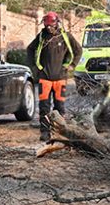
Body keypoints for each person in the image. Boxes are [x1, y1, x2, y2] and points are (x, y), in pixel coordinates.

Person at [26, 11, 82, 142]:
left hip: (60, 79)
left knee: (60, 107)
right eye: (46, 25)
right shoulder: (42, 37)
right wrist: (34, 68)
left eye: (51, 25)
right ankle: (45, 132)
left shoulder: (65, 36)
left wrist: (72, 65)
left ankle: (58, 132)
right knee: (44, 107)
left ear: (57, 23)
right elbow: (30, 49)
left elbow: (78, 50)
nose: (48, 28)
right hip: (44, 79)